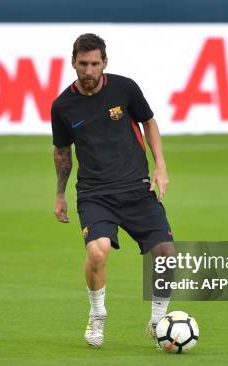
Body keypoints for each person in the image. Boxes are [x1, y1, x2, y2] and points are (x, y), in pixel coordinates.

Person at [51, 33, 174, 348]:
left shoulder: (125, 88)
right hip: (95, 194)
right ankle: (97, 314)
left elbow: (149, 122)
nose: (89, 71)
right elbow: (62, 153)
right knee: (97, 251)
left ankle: (159, 321)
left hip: (136, 188)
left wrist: (160, 165)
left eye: (95, 64)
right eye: (83, 64)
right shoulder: (62, 106)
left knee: (166, 254)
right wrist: (60, 193)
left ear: (105, 62)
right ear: (73, 63)